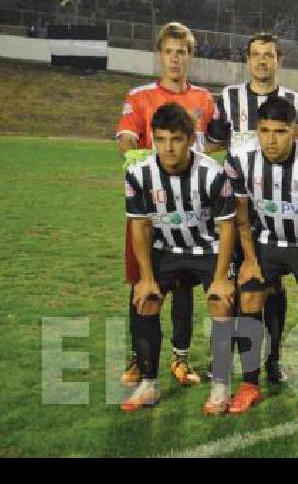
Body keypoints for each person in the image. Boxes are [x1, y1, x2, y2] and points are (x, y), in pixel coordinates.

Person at [116, 22, 217, 389]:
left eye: (182, 52)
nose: (175, 59)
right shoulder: (140, 96)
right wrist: (143, 161)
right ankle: (139, 357)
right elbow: (126, 138)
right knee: (143, 281)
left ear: (191, 56)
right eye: (169, 51)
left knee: (185, 283)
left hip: (193, 208)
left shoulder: (205, 100)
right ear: (160, 54)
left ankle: (180, 357)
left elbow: (214, 142)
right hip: (150, 204)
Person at [223, 97, 298, 419]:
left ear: (296, 132)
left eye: (280, 132)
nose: (271, 140)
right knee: (249, 298)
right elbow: (241, 215)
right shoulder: (240, 158)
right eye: (265, 131)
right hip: (264, 239)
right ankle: (249, 385)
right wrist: (248, 259)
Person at [206, 32, 298, 390]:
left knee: (273, 288)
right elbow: (214, 141)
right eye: (255, 55)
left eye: (269, 55)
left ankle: (273, 359)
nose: (262, 61)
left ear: (279, 60)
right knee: (240, 283)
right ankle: (231, 359)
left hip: (277, 207)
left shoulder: (294, 99)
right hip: (238, 205)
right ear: (247, 60)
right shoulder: (229, 97)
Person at [121, 102, 235, 411]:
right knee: (144, 299)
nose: (168, 147)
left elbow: (227, 229)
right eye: (160, 139)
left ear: (190, 138)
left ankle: (221, 386)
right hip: (166, 249)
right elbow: (141, 228)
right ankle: (148, 385)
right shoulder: (138, 174)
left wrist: (223, 278)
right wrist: (145, 278)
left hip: (208, 248)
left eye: (176, 139)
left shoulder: (213, 175)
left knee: (221, 303)